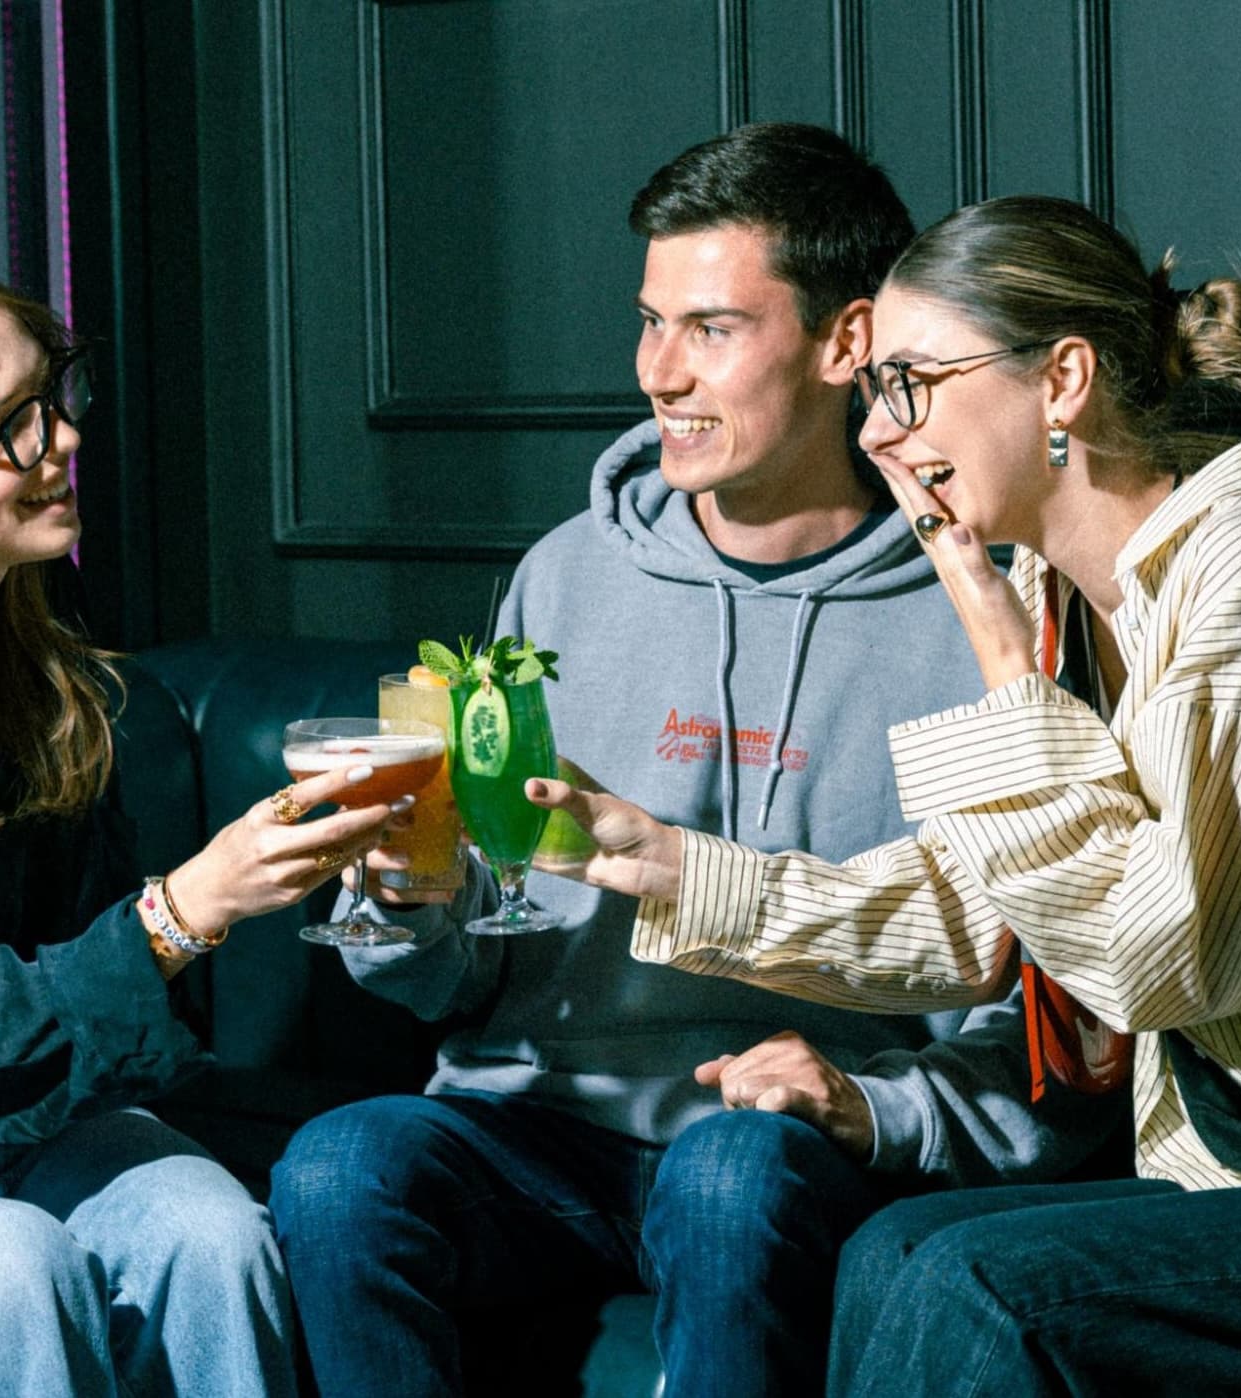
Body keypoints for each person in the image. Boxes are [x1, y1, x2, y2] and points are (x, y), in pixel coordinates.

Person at [269, 127, 1118, 1398]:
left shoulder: (987, 611)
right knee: (340, 1164)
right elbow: (470, 961)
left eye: (711, 329)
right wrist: (410, 902)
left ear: (844, 344)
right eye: (649, 323)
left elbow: (1053, 992)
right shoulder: (566, 571)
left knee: (727, 1172)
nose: (657, 372)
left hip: (787, 1144)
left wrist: (876, 1105)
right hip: (538, 1124)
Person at [529, 194, 1241, 1394]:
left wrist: (993, 651)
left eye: (909, 384)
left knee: (970, 1283)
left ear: (1061, 381)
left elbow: (1156, 962)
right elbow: (982, 922)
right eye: (876, 390)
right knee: (894, 1251)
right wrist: (663, 861)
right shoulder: (1059, 597)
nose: (877, 432)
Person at [0, 263, 413, 1396]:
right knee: (4, 1269)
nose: (63, 439)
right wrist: (187, 907)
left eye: (54, 400)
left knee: (208, 1230)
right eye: (13, 424)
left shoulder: (42, 680)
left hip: (14, 1126)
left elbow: (80, 1002)